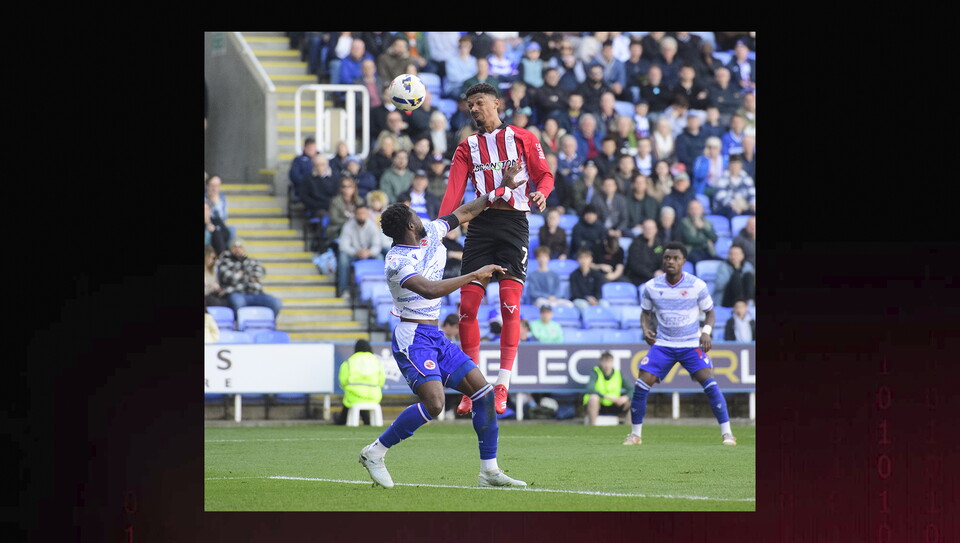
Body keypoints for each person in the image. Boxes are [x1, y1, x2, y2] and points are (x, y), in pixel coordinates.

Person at [358, 174, 529, 490]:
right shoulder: (396, 260)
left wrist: (500, 188)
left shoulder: (430, 234)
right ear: (409, 226)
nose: (418, 215)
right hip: (412, 337)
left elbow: (464, 212)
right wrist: (475, 275)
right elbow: (429, 289)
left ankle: (489, 472)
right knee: (435, 404)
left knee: (484, 393)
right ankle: (375, 452)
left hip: (435, 335)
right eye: (413, 214)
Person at [437, 83, 553, 415]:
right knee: (468, 307)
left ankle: (502, 384)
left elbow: (544, 175)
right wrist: (441, 226)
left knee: (509, 305)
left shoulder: (523, 138)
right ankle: (472, 385)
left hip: (515, 224)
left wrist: (542, 193)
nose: (474, 109)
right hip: (482, 227)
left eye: (479, 103)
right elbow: (454, 192)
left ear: (497, 104)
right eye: (470, 105)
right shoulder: (467, 148)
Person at [623, 241, 736, 446]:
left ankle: (727, 433)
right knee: (641, 383)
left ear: (683, 261)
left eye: (675, 258)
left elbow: (710, 312)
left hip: (691, 343)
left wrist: (707, 332)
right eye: (667, 258)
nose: (671, 261)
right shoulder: (652, 286)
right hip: (664, 344)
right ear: (663, 260)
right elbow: (645, 313)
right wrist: (645, 329)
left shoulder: (696, 285)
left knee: (709, 382)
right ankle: (635, 434)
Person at [217, 239, 283, 318]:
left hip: (256, 293)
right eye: (235, 247)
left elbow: (259, 275)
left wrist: (240, 275)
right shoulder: (225, 262)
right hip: (238, 293)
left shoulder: (253, 261)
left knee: (276, 303)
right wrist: (248, 276)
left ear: (244, 249)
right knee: (238, 303)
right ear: (231, 249)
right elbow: (229, 278)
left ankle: (269, 325)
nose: (237, 250)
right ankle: (239, 327)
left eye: (240, 247)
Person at [335, 340, 386, 425]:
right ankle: (367, 421)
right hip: (374, 396)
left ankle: (341, 420)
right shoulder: (376, 361)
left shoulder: (350, 361)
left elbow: (343, 381)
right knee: (361, 401)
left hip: (353, 396)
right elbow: (381, 380)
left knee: (351, 401)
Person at [583, 351, 633, 425]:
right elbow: (590, 389)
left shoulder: (618, 374)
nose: (607, 365)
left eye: (609, 362)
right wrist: (609, 397)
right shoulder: (596, 372)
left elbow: (632, 389)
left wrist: (625, 398)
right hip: (600, 404)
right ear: (601, 362)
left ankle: (629, 429)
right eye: (605, 362)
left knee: (635, 402)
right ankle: (592, 426)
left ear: (612, 362)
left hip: (615, 404)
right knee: (593, 398)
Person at [713, 155, 756, 219]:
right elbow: (720, 196)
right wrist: (732, 204)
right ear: (729, 165)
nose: (735, 167)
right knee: (733, 212)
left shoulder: (746, 178)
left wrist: (753, 203)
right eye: (733, 164)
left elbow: (752, 193)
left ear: (741, 165)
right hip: (725, 208)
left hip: (743, 206)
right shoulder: (723, 178)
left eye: (737, 164)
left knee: (753, 213)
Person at [625, 219, 664, 286]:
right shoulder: (635, 244)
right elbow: (635, 265)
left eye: (651, 228)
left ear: (656, 230)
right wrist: (652, 275)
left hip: (657, 277)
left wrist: (661, 270)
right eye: (646, 228)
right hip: (639, 278)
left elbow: (664, 260)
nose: (649, 231)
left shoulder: (660, 244)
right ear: (643, 230)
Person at [326, 176, 366, 242]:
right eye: (344, 186)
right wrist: (349, 222)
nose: (346, 189)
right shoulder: (335, 201)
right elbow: (334, 218)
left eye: (349, 186)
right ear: (340, 188)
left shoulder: (360, 201)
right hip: (338, 228)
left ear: (354, 188)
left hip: (357, 227)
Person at [301, 153, 341, 220]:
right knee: (325, 216)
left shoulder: (336, 177)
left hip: (333, 206)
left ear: (327, 164)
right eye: (317, 165)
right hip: (316, 208)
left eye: (322, 164)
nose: (320, 167)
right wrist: (316, 205)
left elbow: (338, 193)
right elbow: (304, 196)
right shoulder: (308, 178)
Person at [679, 199, 718, 263]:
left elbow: (714, 238)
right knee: (698, 260)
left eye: (696, 209)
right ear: (688, 210)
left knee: (719, 261)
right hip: (692, 251)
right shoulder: (684, 223)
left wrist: (702, 227)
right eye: (692, 209)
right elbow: (689, 239)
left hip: (707, 250)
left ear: (701, 209)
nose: (694, 212)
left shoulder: (707, 223)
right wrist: (706, 241)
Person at [569, 248, 608, 313]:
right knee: (583, 305)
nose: (584, 261)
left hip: (595, 299)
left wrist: (595, 299)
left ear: (591, 259)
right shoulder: (573, 275)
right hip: (580, 299)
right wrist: (587, 298)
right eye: (581, 258)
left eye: (586, 258)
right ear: (578, 260)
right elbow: (575, 293)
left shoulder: (597, 274)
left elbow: (599, 291)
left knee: (604, 304)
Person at [288, 137, 318, 202]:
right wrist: (308, 182)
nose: (311, 149)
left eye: (313, 147)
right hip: (304, 189)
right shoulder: (298, 160)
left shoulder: (321, 159)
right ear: (304, 148)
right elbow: (294, 176)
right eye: (309, 147)